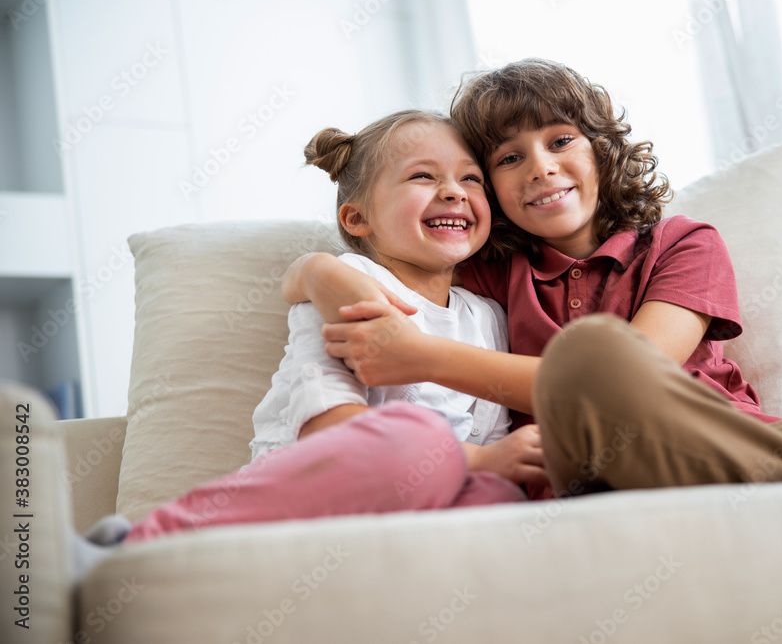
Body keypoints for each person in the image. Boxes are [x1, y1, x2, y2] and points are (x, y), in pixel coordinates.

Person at [283, 58, 782, 502]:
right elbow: (352, 268)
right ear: (491, 191)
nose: (541, 167)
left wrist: (425, 358)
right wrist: (317, 266)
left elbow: (650, 362)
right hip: (599, 467)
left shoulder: (683, 243)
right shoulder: (490, 272)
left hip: (747, 438)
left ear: (600, 151)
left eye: (560, 140)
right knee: (592, 353)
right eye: (507, 158)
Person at [74, 110, 542, 573]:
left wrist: (493, 462)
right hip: (315, 501)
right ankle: (131, 548)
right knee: (417, 442)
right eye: (423, 176)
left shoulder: (488, 315)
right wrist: (479, 458)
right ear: (357, 218)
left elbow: (494, 442)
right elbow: (330, 429)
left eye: (471, 178)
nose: (453, 191)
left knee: (497, 494)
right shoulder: (348, 284)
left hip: (409, 522)